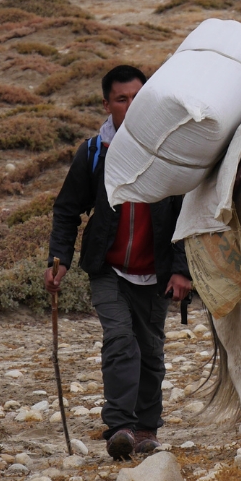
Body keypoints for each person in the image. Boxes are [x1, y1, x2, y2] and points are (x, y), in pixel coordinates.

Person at [45, 64, 192, 460]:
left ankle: (146, 428)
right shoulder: (93, 153)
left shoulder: (171, 152)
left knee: (151, 350)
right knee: (120, 341)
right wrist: (58, 259)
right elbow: (66, 211)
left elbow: (187, 214)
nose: (130, 106)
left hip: (157, 272)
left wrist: (182, 269)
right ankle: (119, 427)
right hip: (107, 268)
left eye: (137, 98)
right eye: (122, 99)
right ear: (107, 103)